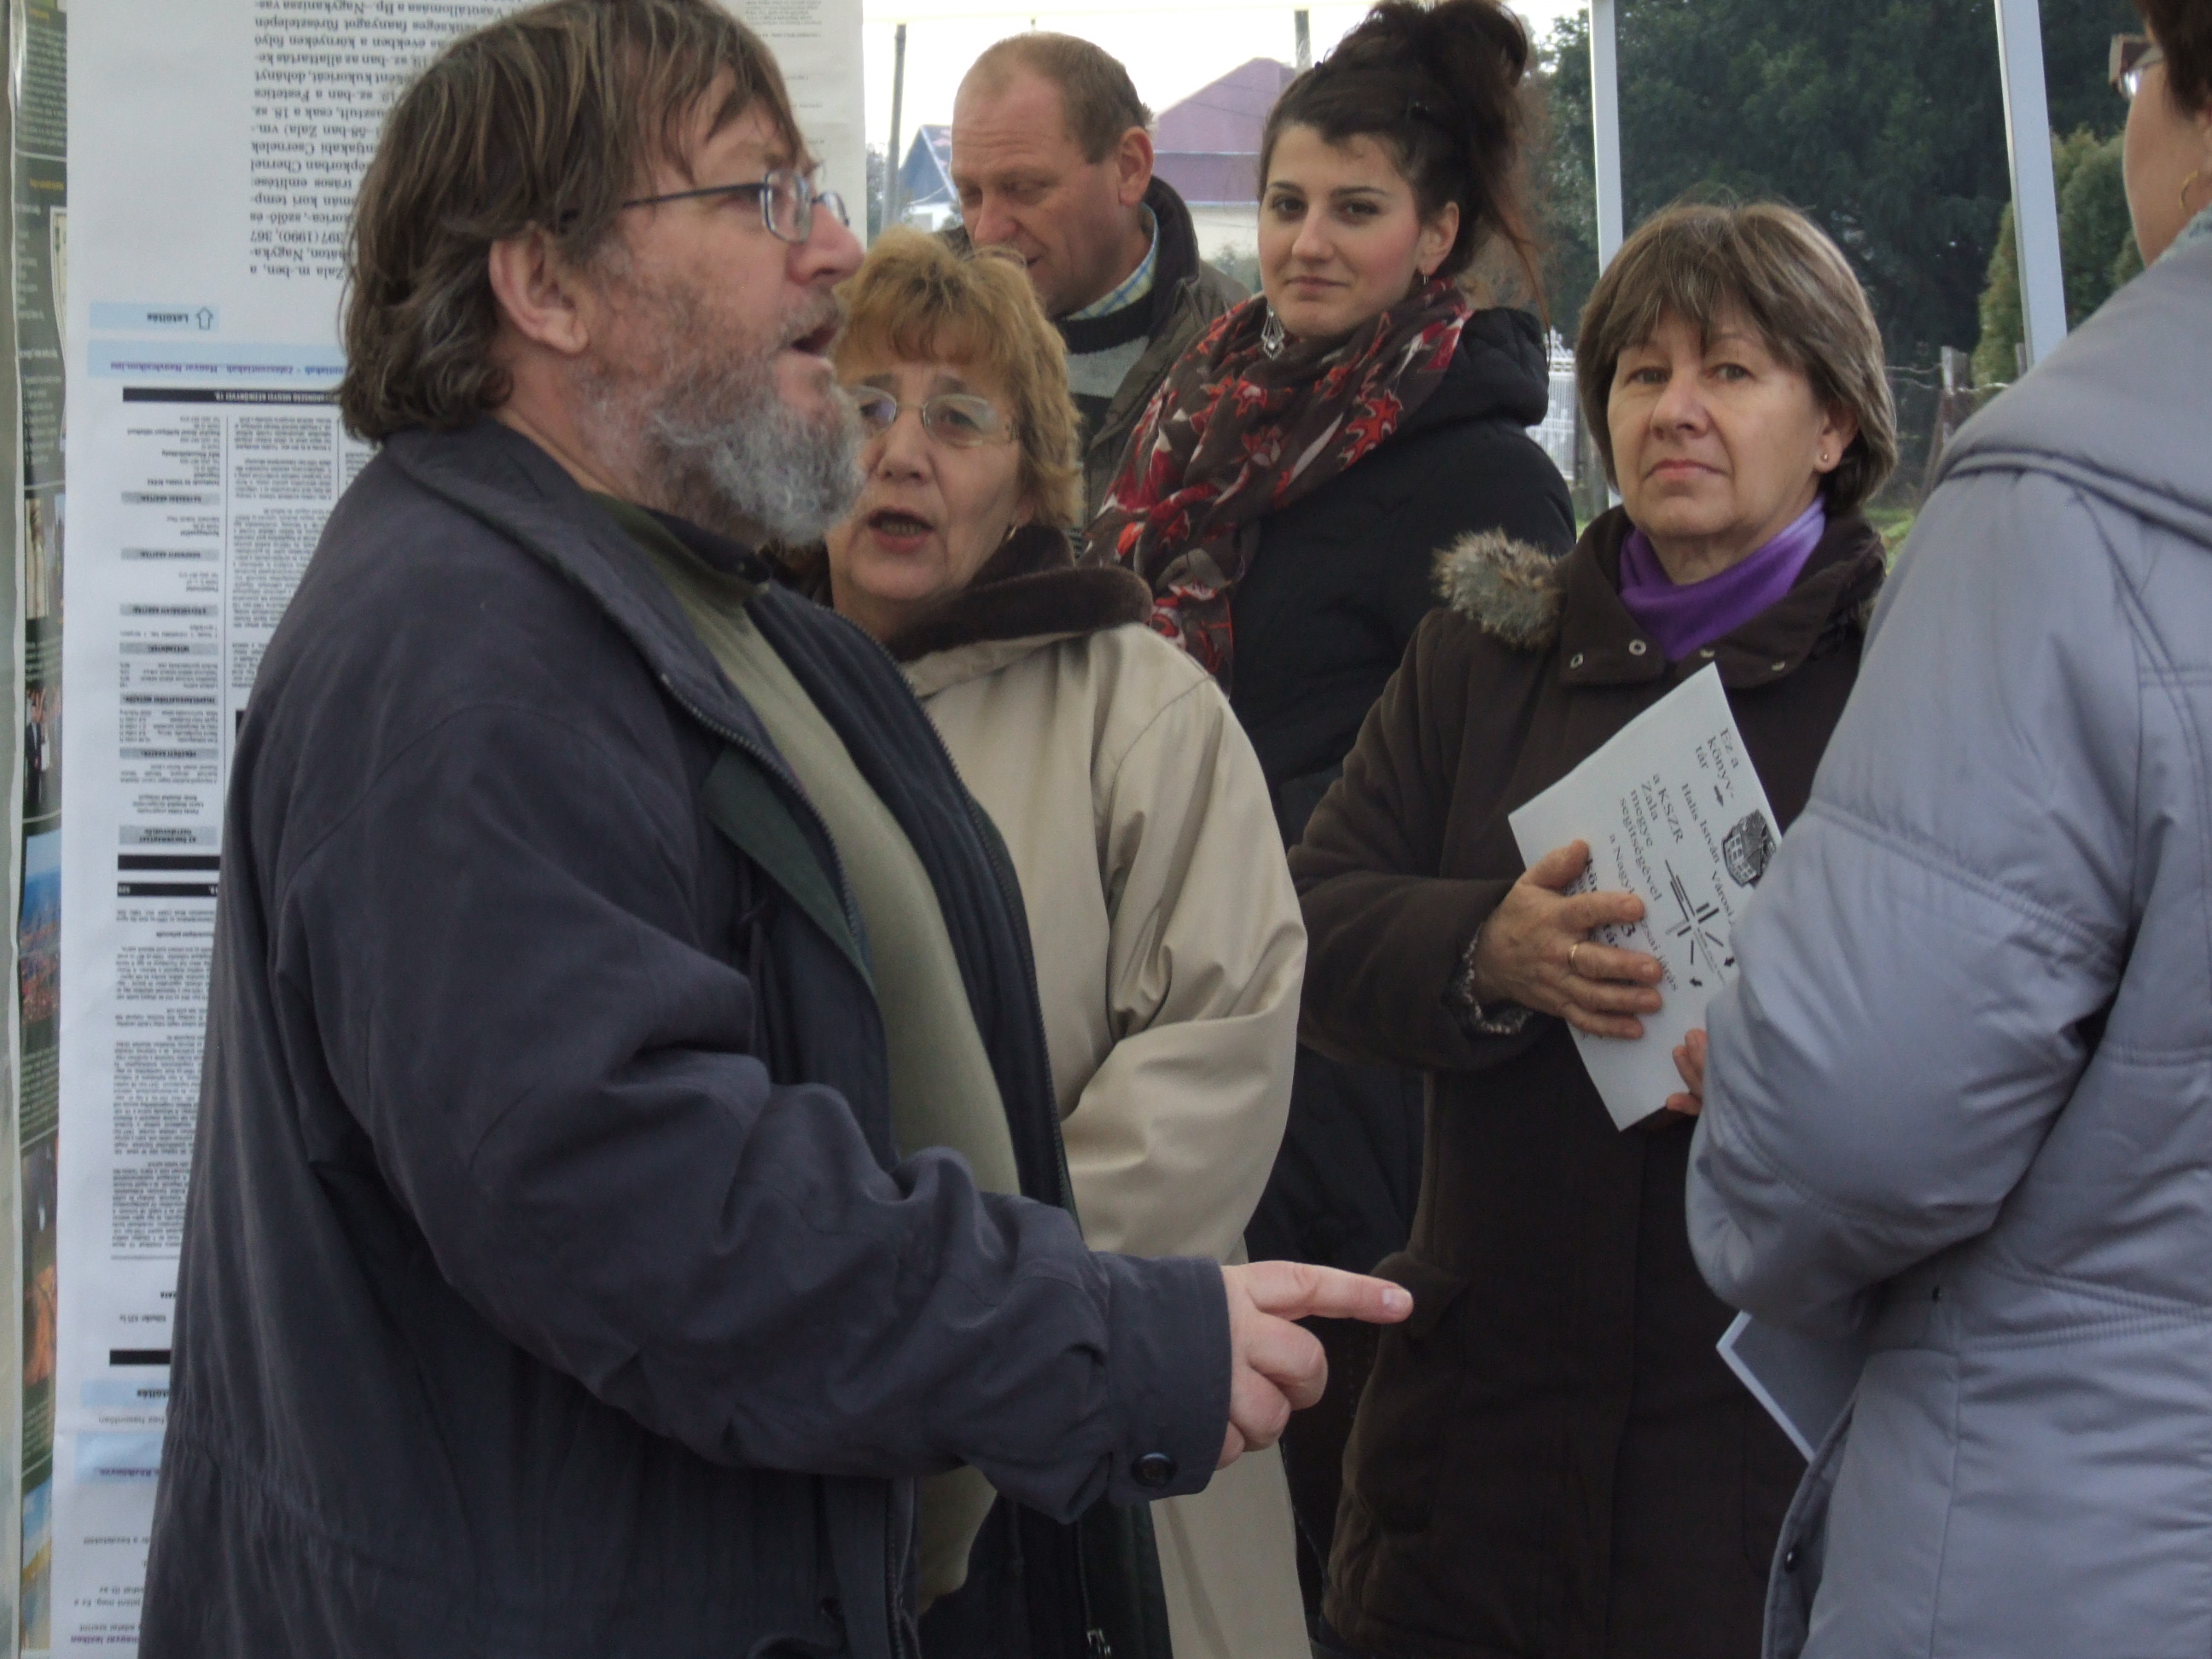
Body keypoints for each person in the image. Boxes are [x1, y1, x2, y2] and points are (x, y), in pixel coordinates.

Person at [135, 6, 1409, 1657]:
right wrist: (1097, 1335)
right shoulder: (461, 655)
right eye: (762, 197)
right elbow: (638, 1200)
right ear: (548, 285)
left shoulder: (688, 609)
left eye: (816, 191)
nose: (833, 250)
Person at [1289, 200, 1900, 1658]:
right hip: (1470, 1471)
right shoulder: (1479, 655)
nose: (1674, 408)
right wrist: (1482, 949)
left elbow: (2005, 1021)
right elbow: (1310, 923)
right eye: (1640, 371)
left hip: (1752, 1472)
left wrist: (1809, 1079)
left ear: (1832, 423)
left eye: (1731, 370)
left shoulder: (1906, 674)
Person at [1678, 5, 2212, 1656]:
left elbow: (1854, 1113)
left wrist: (1750, 1111)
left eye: (2132, 66)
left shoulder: (2068, 510)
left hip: (2088, 1524)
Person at [1083, 0, 1576, 1601]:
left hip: (1337, 1048)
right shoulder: (1205, 411)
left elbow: (1496, 785)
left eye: (1354, 209)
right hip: (1155, 992)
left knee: (1308, 1472)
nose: (1306, 242)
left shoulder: (1482, 474)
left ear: (1435, 235)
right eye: (1288, 202)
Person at [800, 226, 1309, 1659]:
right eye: (864, 403)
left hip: (1095, 1413)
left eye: (959, 417)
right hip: (806, 1427)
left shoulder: (1137, 708)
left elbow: (1218, 1042)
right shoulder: (738, 695)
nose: (902, 452)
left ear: (1032, 477)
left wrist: (979, 1306)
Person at [948, 33, 1244, 519]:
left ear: (1129, 169)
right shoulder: (905, 320)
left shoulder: (1238, 350)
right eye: (970, 195)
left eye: (1023, 189)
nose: (987, 232)